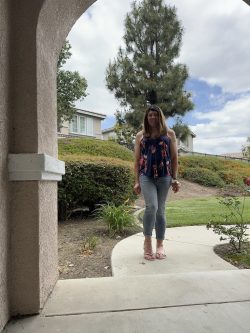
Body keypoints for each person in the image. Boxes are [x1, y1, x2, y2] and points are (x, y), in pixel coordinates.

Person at [134, 105, 180, 260]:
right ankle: (147, 242)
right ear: (146, 118)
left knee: (160, 211)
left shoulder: (169, 134)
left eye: (155, 115)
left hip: (164, 176)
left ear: (160, 117)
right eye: (149, 115)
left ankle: (160, 245)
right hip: (146, 176)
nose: (152, 117)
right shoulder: (141, 135)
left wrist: (174, 178)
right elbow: (136, 160)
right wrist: (136, 181)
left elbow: (174, 158)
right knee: (151, 206)